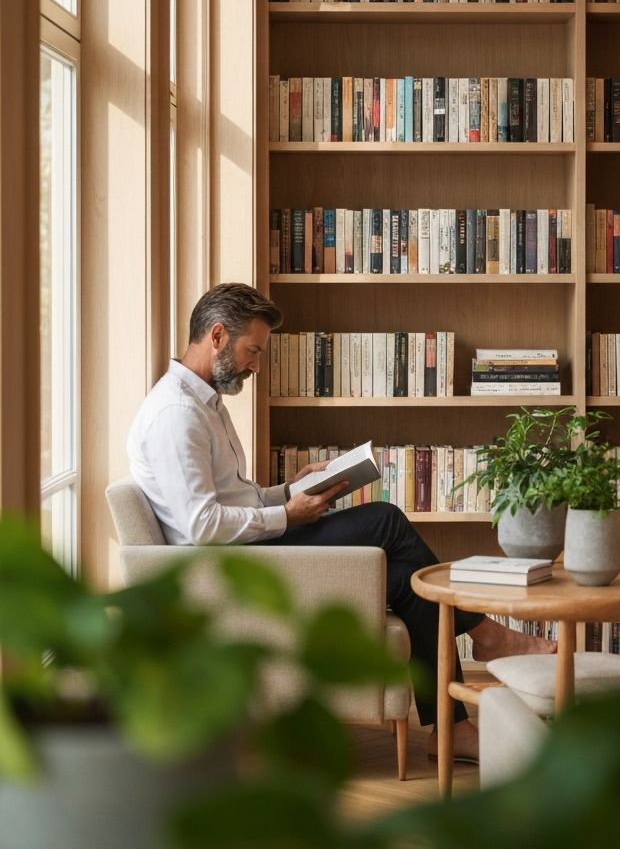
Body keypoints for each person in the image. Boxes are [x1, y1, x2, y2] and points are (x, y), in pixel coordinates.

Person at [127, 282, 554, 763]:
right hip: (232, 565)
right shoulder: (176, 414)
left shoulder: (203, 404)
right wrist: (287, 515)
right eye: (253, 351)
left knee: (405, 580)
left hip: (249, 545)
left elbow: (231, 500)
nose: (257, 366)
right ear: (218, 336)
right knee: (386, 520)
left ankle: (450, 729)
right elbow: (201, 526)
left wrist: (288, 490)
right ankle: (488, 636)